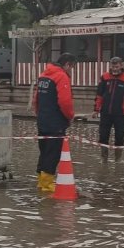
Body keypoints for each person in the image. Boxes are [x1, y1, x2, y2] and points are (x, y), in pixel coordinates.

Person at [33, 53, 76, 192]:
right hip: (55, 122)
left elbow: (36, 99)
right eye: (72, 67)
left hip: (42, 120)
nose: (71, 71)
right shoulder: (61, 76)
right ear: (67, 64)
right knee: (52, 153)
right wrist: (70, 116)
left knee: (44, 151)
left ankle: (41, 182)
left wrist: (39, 114)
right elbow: (65, 102)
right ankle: (47, 185)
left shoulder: (44, 75)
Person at [92, 57, 124, 162]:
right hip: (105, 112)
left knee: (120, 136)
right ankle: (104, 158)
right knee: (103, 135)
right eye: (113, 66)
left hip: (120, 113)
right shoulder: (105, 77)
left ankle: (117, 159)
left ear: (121, 66)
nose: (115, 68)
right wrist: (96, 110)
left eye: (117, 66)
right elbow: (99, 94)